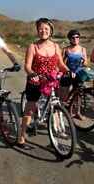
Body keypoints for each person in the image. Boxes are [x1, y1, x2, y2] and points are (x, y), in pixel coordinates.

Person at [18, 18, 69, 148]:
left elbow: (61, 64)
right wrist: (33, 74)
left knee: (55, 105)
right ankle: (21, 136)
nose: (43, 31)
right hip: (35, 81)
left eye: (46, 28)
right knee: (30, 108)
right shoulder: (33, 46)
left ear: (51, 31)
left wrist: (70, 72)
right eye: (40, 28)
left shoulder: (56, 46)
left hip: (51, 81)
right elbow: (27, 66)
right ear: (37, 31)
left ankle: (56, 132)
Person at [61, 29, 88, 120]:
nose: (75, 39)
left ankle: (77, 112)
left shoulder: (82, 49)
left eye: (77, 37)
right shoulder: (65, 49)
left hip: (79, 74)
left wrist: (83, 62)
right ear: (70, 39)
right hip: (68, 73)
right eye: (73, 37)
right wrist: (68, 71)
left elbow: (86, 63)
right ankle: (63, 110)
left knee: (78, 95)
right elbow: (62, 63)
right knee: (65, 93)